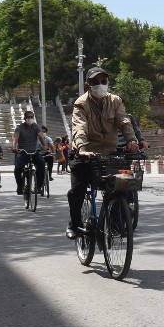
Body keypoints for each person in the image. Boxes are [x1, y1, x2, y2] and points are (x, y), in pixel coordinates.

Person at [66, 67, 143, 239]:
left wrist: (132, 140)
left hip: (110, 154)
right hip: (85, 154)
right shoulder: (81, 104)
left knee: (124, 184)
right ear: (88, 85)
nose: (100, 85)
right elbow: (80, 127)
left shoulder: (115, 101)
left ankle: (118, 217)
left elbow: (124, 121)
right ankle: (75, 224)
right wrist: (82, 149)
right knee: (78, 189)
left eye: (104, 81)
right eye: (95, 82)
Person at [12, 109, 48, 196]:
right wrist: (14, 147)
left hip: (34, 152)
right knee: (18, 169)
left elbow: (41, 136)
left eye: (31, 117)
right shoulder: (19, 128)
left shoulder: (37, 127)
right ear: (24, 118)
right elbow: (15, 138)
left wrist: (44, 146)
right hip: (22, 152)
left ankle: (38, 186)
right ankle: (20, 186)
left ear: (33, 118)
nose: (29, 119)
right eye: (28, 117)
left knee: (42, 164)